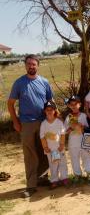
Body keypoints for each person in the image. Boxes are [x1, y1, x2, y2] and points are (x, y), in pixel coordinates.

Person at [8, 54, 52, 198]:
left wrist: (54, 120)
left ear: (37, 66)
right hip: (26, 123)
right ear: (25, 65)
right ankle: (31, 185)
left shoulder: (44, 82)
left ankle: (43, 178)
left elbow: (50, 101)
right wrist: (15, 121)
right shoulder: (19, 83)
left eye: (33, 64)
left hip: (44, 122)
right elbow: (10, 103)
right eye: (28, 64)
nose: (31, 66)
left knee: (44, 151)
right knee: (30, 154)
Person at [40, 101, 68, 189]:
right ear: (45, 111)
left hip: (59, 148)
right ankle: (54, 180)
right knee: (53, 164)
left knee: (62, 163)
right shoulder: (43, 124)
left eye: (51, 110)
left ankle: (64, 178)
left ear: (54, 111)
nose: (49, 111)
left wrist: (62, 144)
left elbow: (63, 134)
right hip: (51, 150)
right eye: (47, 110)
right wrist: (45, 147)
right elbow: (42, 137)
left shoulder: (59, 122)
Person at [64, 95, 90, 181]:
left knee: (86, 156)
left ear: (79, 104)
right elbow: (64, 131)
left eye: (75, 104)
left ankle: (88, 172)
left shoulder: (84, 116)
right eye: (71, 104)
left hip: (83, 141)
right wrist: (71, 128)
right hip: (73, 142)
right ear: (69, 106)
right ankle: (77, 174)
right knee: (74, 158)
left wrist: (82, 127)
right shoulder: (68, 117)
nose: (73, 106)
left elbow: (88, 129)